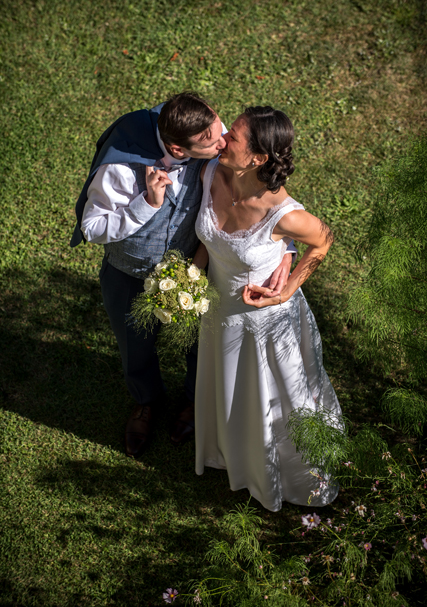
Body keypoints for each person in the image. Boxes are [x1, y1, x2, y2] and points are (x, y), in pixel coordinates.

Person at [70, 93, 295, 458]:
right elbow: (93, 228)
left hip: (198, 269)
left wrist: (285, 249)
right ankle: (146, 402)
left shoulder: (210, 133)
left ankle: (192, 401)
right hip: (129, 275)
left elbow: (261, 196)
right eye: (212, 140)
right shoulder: (122, 167)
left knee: (199, 345)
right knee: (135, 346)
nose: (223, 141)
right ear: (178, 146)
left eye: (221, 129)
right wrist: (148, 203)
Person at [194, 106, 343, 511]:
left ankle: (289, 477)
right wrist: (192, 272)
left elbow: (324, 239)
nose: (222, 139)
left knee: (275, 402)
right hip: (219, 311)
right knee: (229, 389)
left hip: (265, 324)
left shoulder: (283, 212)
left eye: (234, 137)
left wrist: (287, 289)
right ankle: (230, 455)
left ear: (258, 158)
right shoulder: (211, 172)